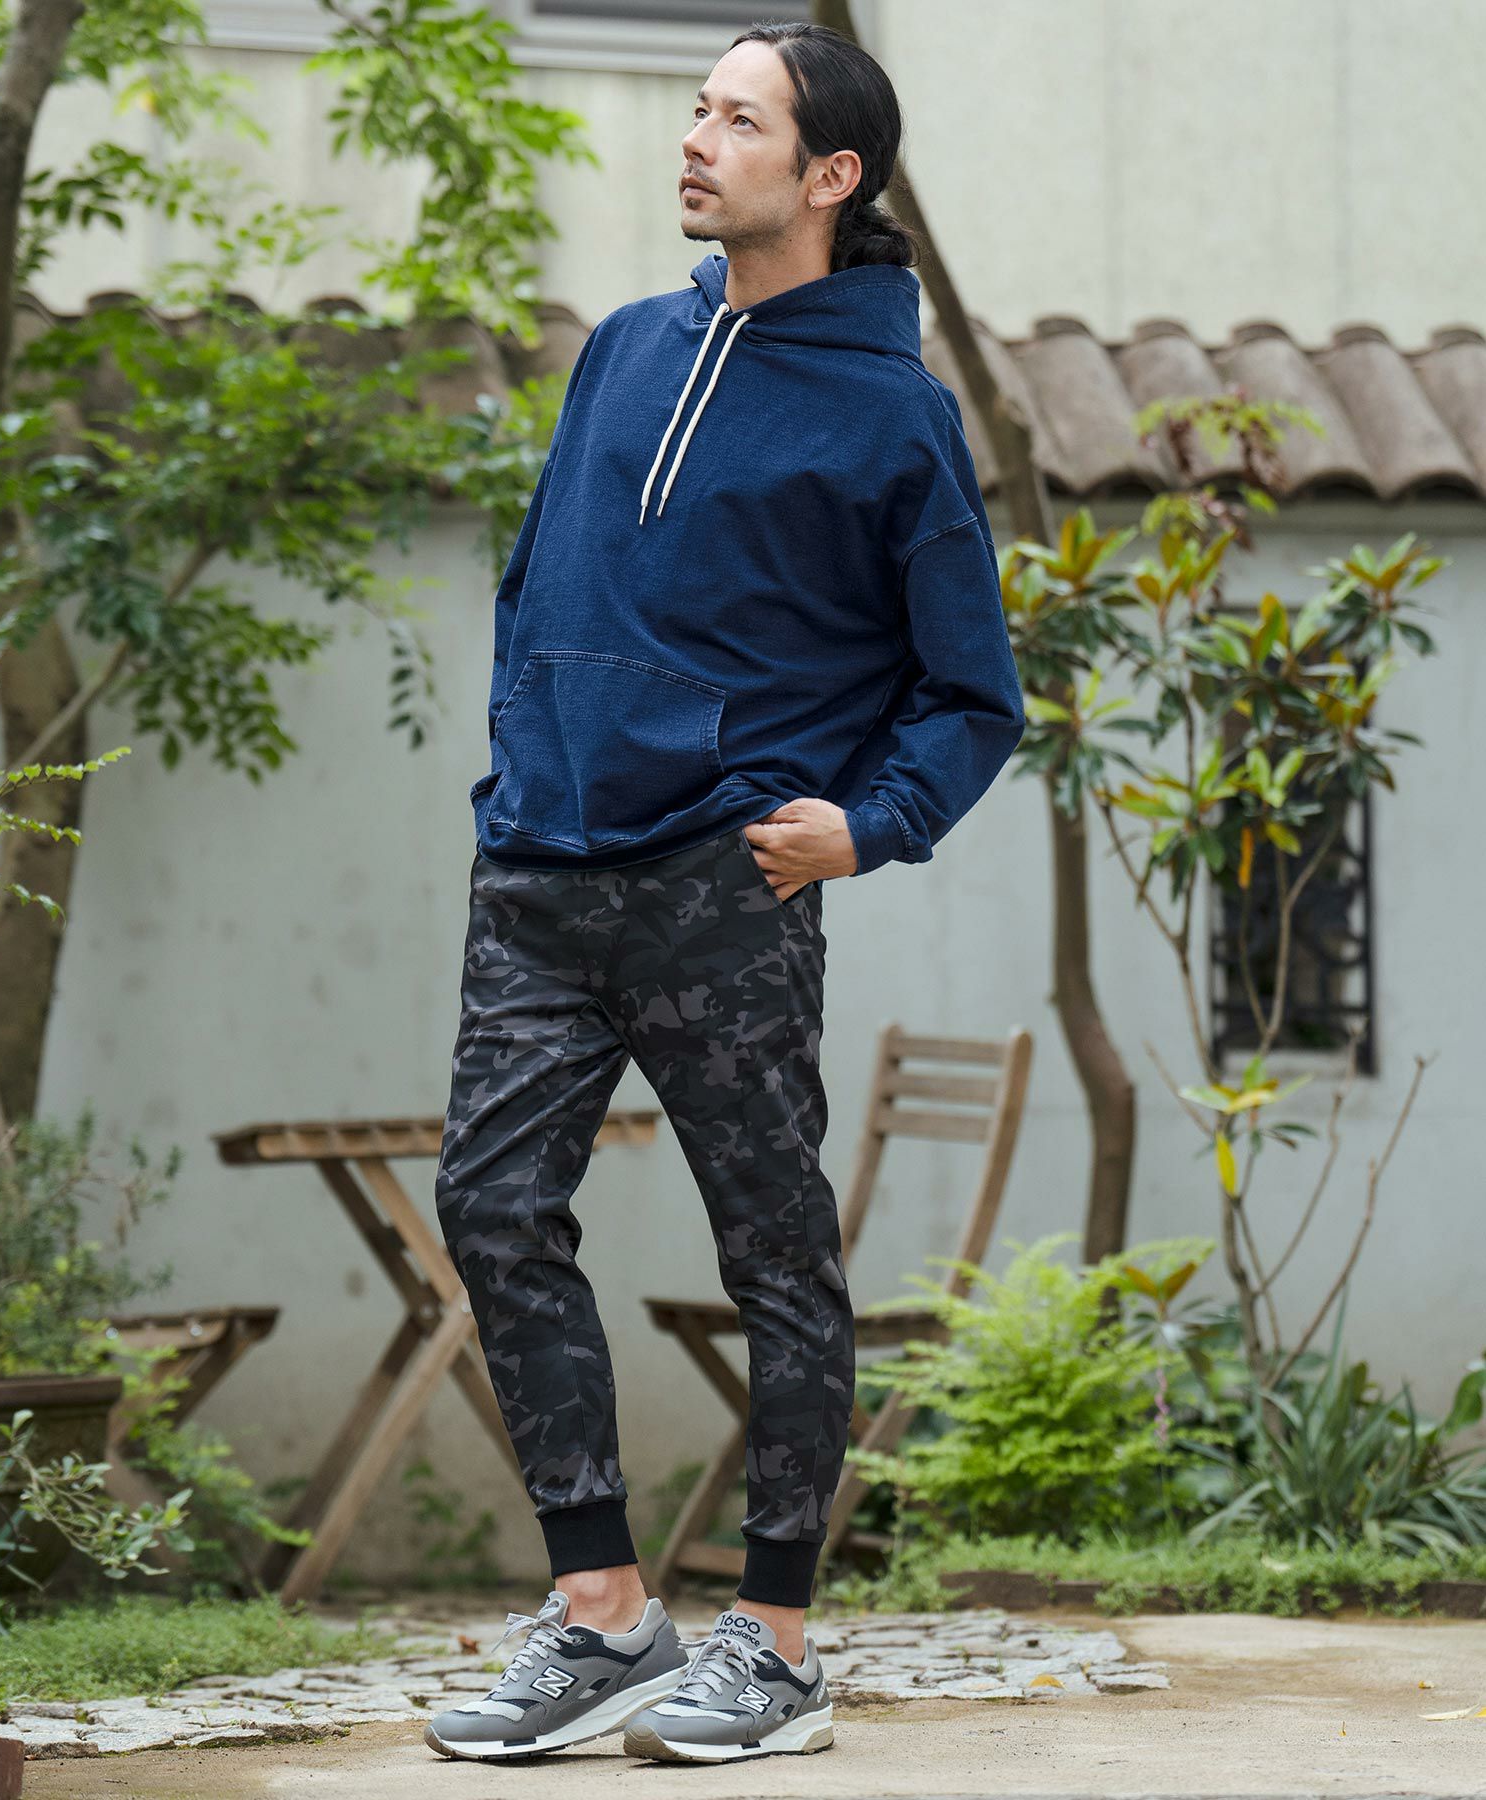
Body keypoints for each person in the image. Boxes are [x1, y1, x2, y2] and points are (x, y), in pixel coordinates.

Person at [426, 19, 1025, 1768]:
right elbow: (536, 586)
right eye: (697, 108)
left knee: (772, 1253)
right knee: (492, 1208)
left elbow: (972, 695)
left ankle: (776, 1645)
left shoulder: (896, 415)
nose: (696, 138)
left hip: (722, 885)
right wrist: (523, 774)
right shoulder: (625, 347)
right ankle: (604, 1613)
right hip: (542, 870)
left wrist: (869, 827)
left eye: (738, 119)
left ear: (831, 174)